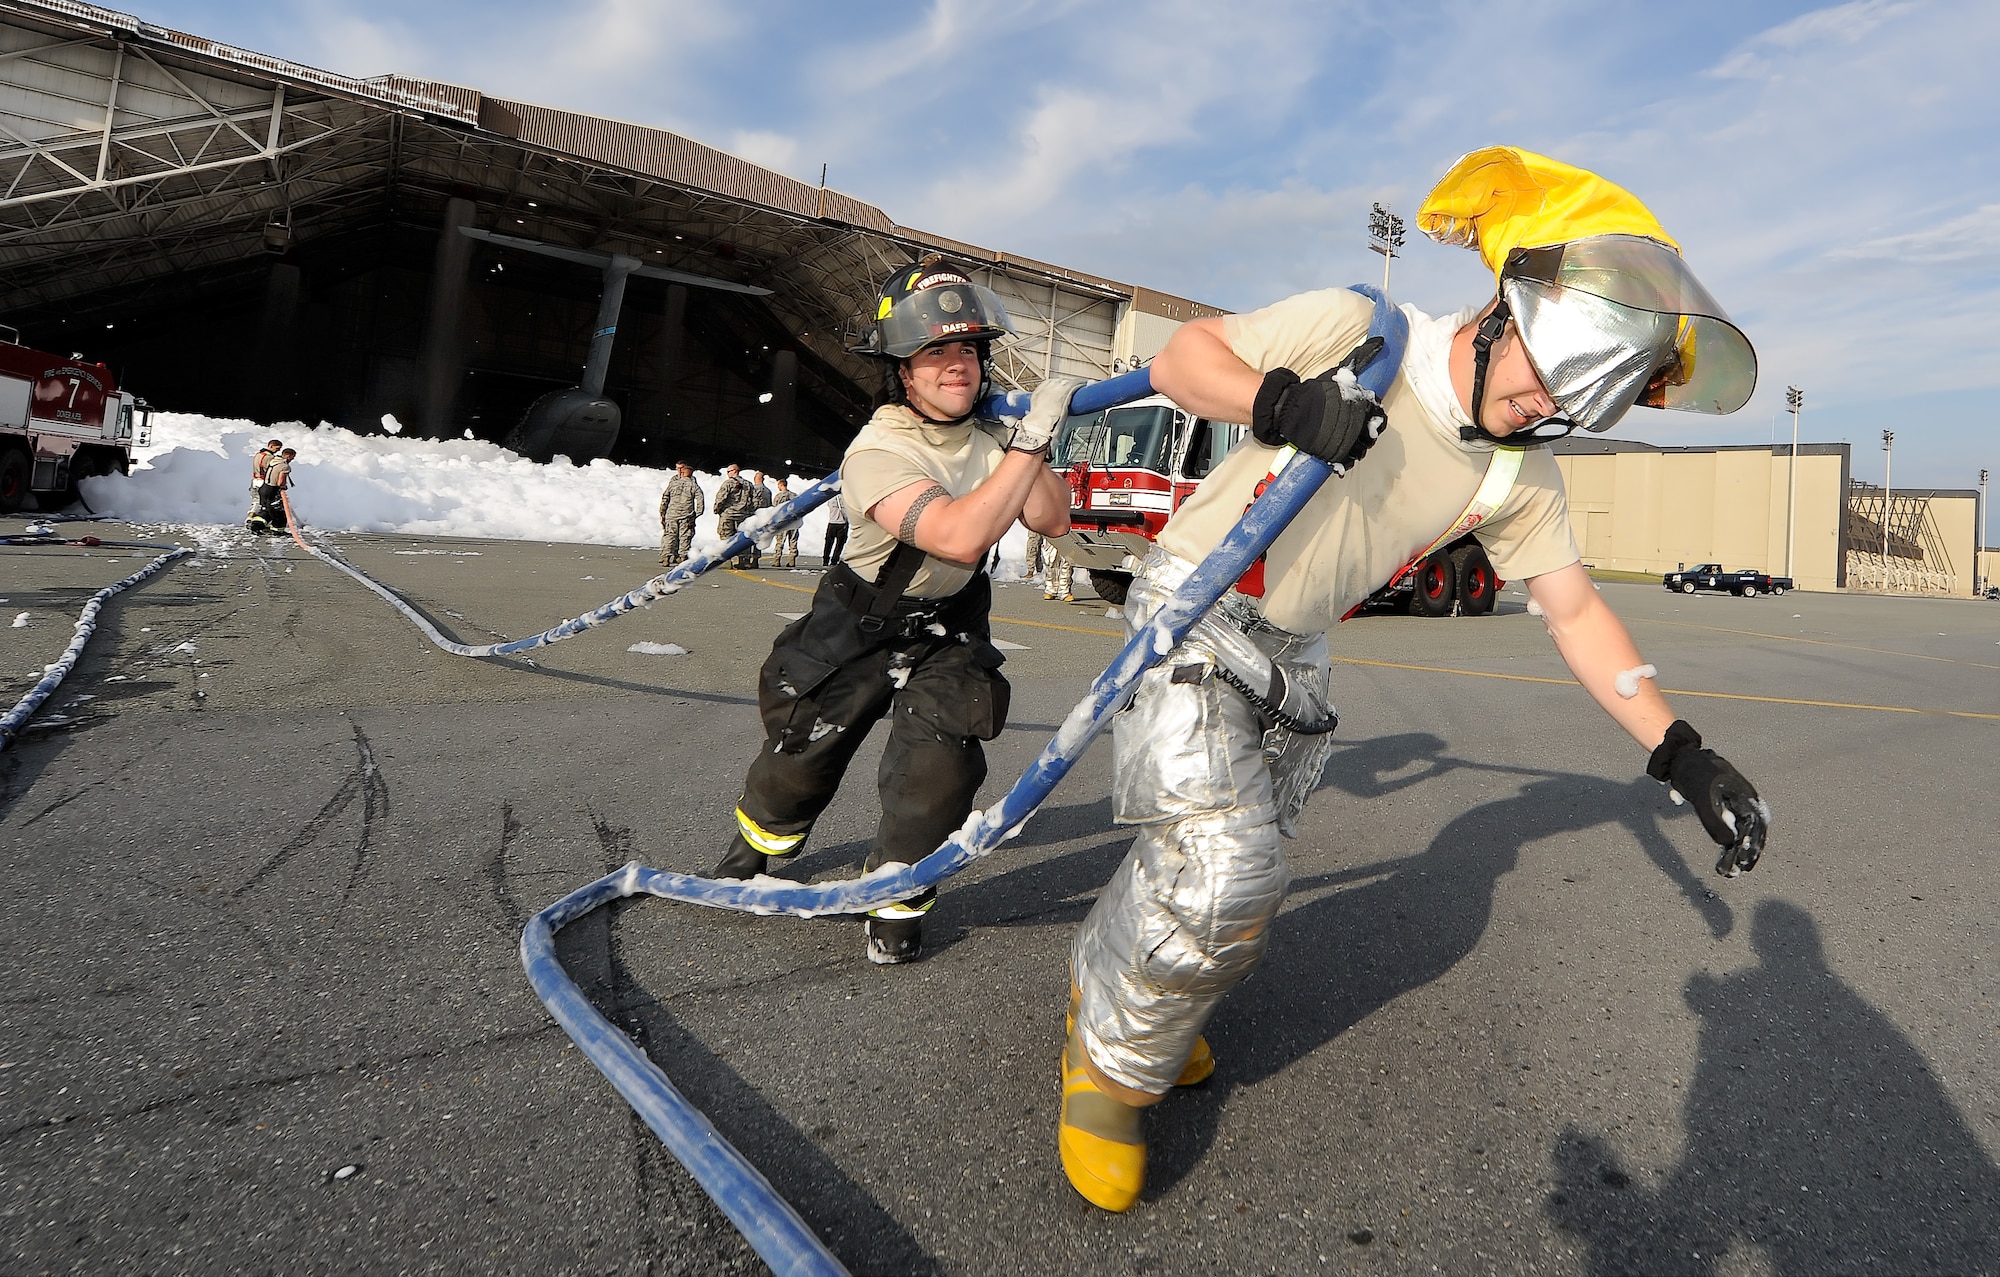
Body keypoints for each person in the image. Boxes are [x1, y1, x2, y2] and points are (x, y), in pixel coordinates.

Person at [1056, 147, 1772, 1212]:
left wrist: (1680, 752)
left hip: (1290, 650)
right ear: (1493, 314)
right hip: (1199, 601)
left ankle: (1118, 993)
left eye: (1560, 401)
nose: (1533, 405)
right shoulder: (1360, 330)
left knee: (1218, 867)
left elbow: (1574, 609)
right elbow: (1180, 360)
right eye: (1532, 372)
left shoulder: (1514, 470)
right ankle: (1107, 1075)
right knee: (1221, 867)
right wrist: (1280, 401)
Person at [710, 256, 1078, 965]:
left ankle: (898, 898)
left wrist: (1031, 443)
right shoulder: (878, 451)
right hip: (860, 620)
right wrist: (1026, 444)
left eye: (968, 349)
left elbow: (1052, 520)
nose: (957, 365)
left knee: (937, 774)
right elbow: (960, 533)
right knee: (801, 755)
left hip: (951, 622)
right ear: (901, 371)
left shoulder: (994, 440)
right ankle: (756, 847)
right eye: (934, 351)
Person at [659, 461, 702, 569]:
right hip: (687, 514)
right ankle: (683, 556)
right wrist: (697, 513)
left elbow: (665, 497)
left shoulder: (673, 484)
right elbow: (700, 499)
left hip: (672, 514)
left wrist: (662, 512)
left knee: (670, 535)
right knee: (685, 536)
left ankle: (666, 557)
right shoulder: (693, 485)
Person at [712, 464, 756, 568]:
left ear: (734, 471)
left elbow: (721, 498)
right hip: (743, 515)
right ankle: (744, 560)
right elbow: (753, 501)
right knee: (743, 537)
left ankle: (726, 560)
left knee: (726, 537)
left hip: (729, 514)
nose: (728, 474)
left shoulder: (728, 483)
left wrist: (716, 509)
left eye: (728, 472)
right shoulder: (748, 484)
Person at [250, 447, 296, 532]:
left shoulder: (273, 461)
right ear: (288, 456)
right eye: (292, 457)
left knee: (266, 509)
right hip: (272, 490)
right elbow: (280, 481)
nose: (293, 459)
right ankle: (277, 530)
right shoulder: (285, 466)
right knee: (279, 513)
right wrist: (283, 487)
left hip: (263, 489)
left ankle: (256, 526)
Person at [246, 437, 282, 524]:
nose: (277, 451)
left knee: (256, 501)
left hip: (255, 480)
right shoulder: (269, 457)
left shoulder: (258, 454)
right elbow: (271, 470)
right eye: (277, 448)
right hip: (263, 481)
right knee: (266, 504)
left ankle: (250, 518)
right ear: (271, 446)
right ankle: (260, 522)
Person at [744, 470, 774, 568]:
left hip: (753, 516)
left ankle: (747, 559)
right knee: (759, 538)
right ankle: (756, 559)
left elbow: (749, 502)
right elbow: (770, 506)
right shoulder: (768, 491)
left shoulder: (753, 489)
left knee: (749, 537)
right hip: (763, 518)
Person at [769, 475, 799, 568]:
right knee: (793, 540)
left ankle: (777, 560)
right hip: (794, 521)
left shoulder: (778, 497)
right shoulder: (794, 495)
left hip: (782, 522)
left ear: (781, 485)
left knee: (780, 541)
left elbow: (774, 509)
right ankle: (792, 560)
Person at [821, 490, 849, 566]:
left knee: (828, 543)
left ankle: (825, 560)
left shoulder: (831, 499)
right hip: (842, 523)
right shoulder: (846, 499)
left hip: (832, 523)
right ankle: (834, 560)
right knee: (839, 544)